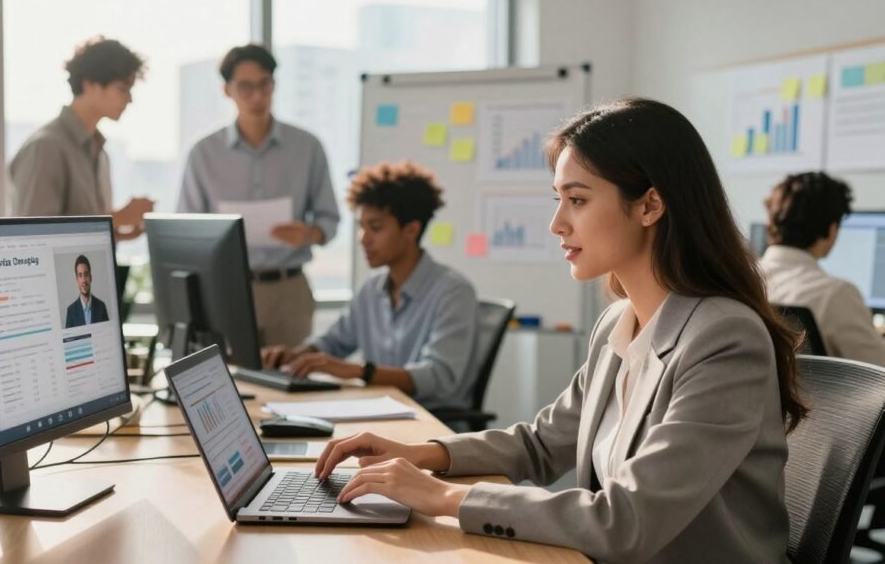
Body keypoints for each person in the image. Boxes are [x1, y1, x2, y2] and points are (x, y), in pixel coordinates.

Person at [314, 99, 805, 564]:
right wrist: (421, 454)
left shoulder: (724, 339)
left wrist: (442, 496)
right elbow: (542, 444)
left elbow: (627, 519)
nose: (556, 223)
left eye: (577, 200)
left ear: (649, 205)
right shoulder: (618, 323)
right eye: (559, 199)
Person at [261, 161, 477, 410]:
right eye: (361, 227)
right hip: (379, 412)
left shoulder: (453, 292)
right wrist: (295, 356)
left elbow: (438, 376)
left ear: (411, 230)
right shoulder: (371, 290)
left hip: (428, 419)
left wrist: (359, 371)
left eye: (375, 228)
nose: (363, 239)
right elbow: (333, 342)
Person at [177, 43, 340, 348]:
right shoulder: (203, 153)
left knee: (291, 373)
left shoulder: (308, 147)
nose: (257, 96)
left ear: (274, 85)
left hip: (289, 291)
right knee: (227, 375)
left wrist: (309, 233)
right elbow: (185, 229)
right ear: (227, 90)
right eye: (245, 87)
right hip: (226, 290)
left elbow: (330, 218)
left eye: (264, 84)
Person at [10, 37, 154, 240]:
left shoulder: (100, 152)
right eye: (122, 89)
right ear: (90, 84)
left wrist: (119, 234)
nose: (129, 99)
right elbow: (33, 235)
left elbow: (79, 236)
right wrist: (119, 217)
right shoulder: (45, 147)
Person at [760, 171, 885, 366]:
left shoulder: (743, 278)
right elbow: (878, 370)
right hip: (817, 388)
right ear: (832, 229)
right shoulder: (836, 294)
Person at [65, 255, 109, 328]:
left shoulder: (101, 307)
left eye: (86, 275)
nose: (84, 280)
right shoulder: (71, 311)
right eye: (80, 275)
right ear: (77, 280)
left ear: (90, 277)